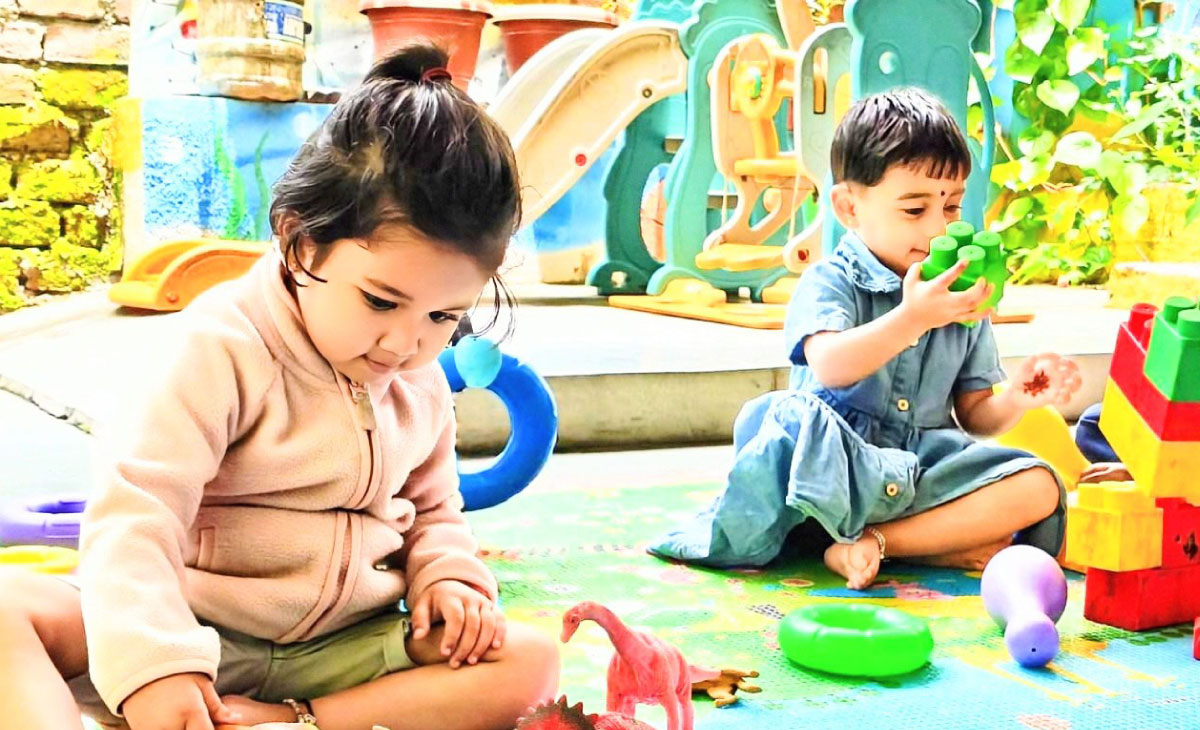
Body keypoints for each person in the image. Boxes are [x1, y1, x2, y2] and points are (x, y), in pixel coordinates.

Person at [0, 42, 559, 730]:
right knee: (5, 613)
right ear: (301, 244)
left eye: (444, 315)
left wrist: (446, 578)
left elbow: (436, 512)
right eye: (381, 301)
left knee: (531, 660)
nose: (406, 343)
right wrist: (156, 668)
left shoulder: (418, 381)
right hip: (196, 627)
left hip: (347, 645)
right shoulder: (218, 349)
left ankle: (295, 720)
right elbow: (136, 517)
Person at [650, 88, 1081, 590]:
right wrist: (912, 318)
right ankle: (922, 541)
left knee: (1039, 487)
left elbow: (976, 416)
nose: (941, 228)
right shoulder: (831, 280)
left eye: (954, 207)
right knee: (785, 423)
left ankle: (877, 542)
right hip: (830, 466)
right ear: (850, 209)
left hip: (915, 469)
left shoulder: (963, 297)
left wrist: (1018, 397)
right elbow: (831, 366)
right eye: (915, 210)